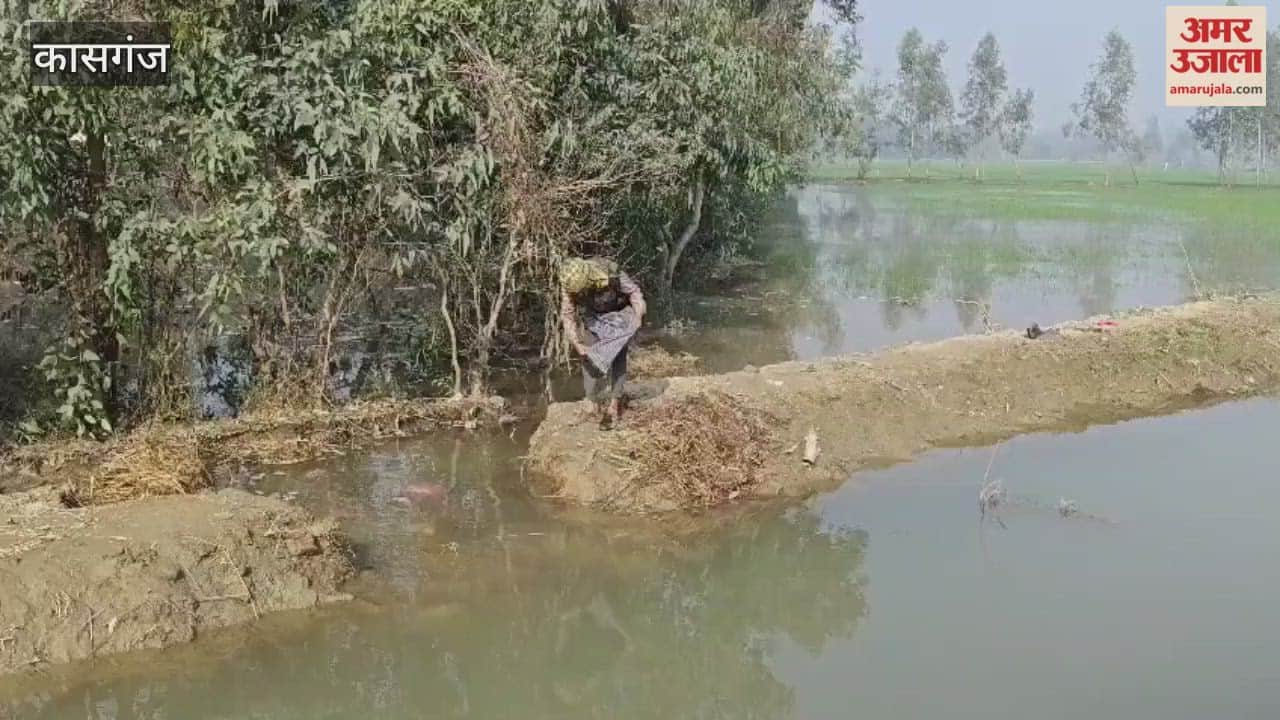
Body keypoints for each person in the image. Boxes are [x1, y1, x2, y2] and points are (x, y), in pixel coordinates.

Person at [559, 256, 646, 429]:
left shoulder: (612, 271)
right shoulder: (569, 282)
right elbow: (568, 314)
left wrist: (638, 316)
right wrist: (577, 344)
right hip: (594, 317)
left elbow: (634, 292)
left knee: (618, 355)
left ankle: (615, 403)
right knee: (588, 355)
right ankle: (591, 402)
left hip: (619, 314)